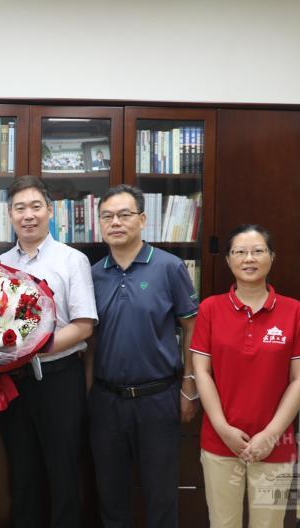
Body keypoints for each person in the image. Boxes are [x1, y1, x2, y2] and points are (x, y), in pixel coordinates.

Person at [191, 224, 300, 528]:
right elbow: (202, 372)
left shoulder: (295, 312)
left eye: (258, 251)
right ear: (228, 260)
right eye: (240, 252)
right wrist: (223, 428)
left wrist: (270, 435)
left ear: (271, 257)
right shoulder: (210, 309)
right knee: (223, 523)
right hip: (220, 440)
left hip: (275, 442)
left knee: (269, 524)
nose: (249, 258)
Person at [89, 183, 199, 528]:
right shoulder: (93, 274)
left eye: (124, 214)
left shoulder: (169, 267)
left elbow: (192, 327)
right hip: (106, 399)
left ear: (143, 219)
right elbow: (89, 339)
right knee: (110, 494)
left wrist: (189, 386)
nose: (115, 222)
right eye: (107, 216)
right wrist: (87, 392)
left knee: (161, 494)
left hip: (158, 397)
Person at [0, 175, 97, 528]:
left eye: (36, 207)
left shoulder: (72, 260)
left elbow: (84, 325)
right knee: (22, 474)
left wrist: (34, 347)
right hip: (11, 382)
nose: (28, 215)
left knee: (63, 473)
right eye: (19, 208)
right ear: (9, 214)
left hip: (59, 378)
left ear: (50, 211)